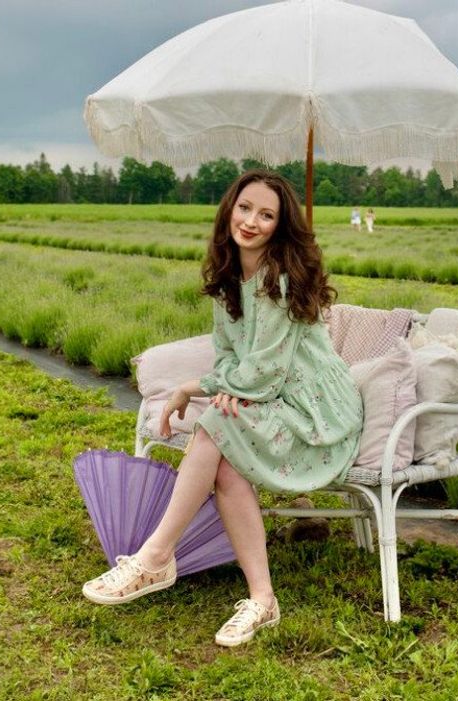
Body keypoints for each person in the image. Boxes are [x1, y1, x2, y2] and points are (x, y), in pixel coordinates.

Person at [81, 170, 363, 647]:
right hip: (276, 399)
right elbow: (231, 358)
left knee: (213, 422)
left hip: (317, 414)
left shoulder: (278, 281)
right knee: (225, 453)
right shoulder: (230, 280)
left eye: (266, 215)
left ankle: (155, 557)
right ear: (229, 209)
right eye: (245, 208)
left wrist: (193, 388)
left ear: (279, 226)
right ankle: (262, 599)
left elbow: (264, 373)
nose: (251, 221)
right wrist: (229, 386)